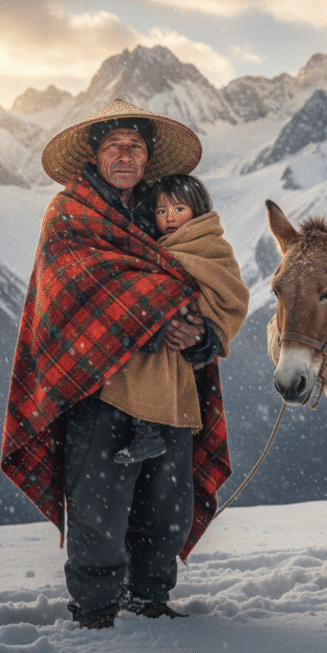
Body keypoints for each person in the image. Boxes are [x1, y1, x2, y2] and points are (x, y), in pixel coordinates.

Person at [1, 99, 248, 630]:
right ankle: (95, 611)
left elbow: (200, 284)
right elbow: (71, 292)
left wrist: (201, 336)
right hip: (99, 385)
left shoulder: (164, 215)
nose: (124, 154)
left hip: (171, 386)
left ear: (147, 156)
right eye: (113, 144)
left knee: (167, 507)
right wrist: (156, 316)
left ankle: (150, 600)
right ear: (94, 154)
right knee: (99, 509)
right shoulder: (69, 213)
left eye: (135, 145)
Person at [112, 174, 224, 465]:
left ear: (198, 211)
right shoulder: (157, 247)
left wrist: (201, 326)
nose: (169, 217)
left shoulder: (209, 247)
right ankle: (147, 433)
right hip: (161, 330)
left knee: (149, 363)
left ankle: (147, 433)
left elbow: (229, 295)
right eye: (161, 211)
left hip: (179, 336)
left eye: (179, 209)